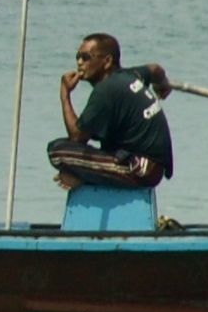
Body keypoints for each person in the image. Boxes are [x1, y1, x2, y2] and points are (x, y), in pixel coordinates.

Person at [49, 33, 176, 194]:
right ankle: (86, 176)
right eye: (78, 57)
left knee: (58, 151)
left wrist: (65, 94)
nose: (79, 63)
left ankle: (84, 177)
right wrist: (162, 83)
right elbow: (155, 70)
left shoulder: (106, 90)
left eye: (86, 57)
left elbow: (77, 137)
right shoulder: (130, 76)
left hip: (141, 169)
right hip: (149, 166)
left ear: (107, 61)